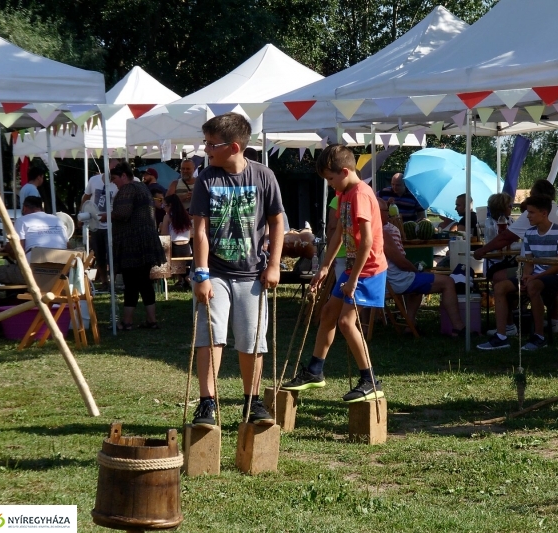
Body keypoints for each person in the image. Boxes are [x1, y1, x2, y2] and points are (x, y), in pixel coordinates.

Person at [190, 113, 284, 427]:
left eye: (210, 144)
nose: (205, 150)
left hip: (252, 273)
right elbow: (199, 231)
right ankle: (207, 403)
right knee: (210, 336)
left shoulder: (264, 176)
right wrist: (201, 274)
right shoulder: (206, 178)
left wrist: (273, 265)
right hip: (214, 271)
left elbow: (277, 222)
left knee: (252, 339)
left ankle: (252, 402)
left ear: (232, 147)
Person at [282, 144, 388, 403]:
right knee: (328, 313)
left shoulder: (360, 195)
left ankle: (370, 379)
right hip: (352, 268)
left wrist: (352, 280)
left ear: (344, 171)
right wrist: (325, 267)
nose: (329, 184)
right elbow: (339, 234)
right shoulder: (343, 194)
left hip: (368, 269)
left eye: (330, 178)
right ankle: (315, 371)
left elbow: (365, 242)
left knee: (345, 322)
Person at [478, 195, 558, 351]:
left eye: (531, 212)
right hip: (535, 276)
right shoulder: (529, 234)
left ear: (544, 213)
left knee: (533, 286)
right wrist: (526, 275)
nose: (527, 216)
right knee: (500, 287)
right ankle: (502, 336)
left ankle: (539, 336)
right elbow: (528, 261)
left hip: (556, 276)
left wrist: (534, 276)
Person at [379, 198, 465, 336]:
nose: (389, 213)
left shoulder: (368, 231)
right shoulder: (382, 233)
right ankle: (458, 328)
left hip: (385, 279)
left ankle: (410, 325)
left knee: (418, 287)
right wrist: (415, 271)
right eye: (385, 211)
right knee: (448, 282)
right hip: (395, 280)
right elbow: (401, 262)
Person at [109, 162, 166, 331]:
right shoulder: (142, 188)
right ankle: (151, 320)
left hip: (132, 243)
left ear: (124, 176)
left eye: (114, 179)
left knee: (131, 282)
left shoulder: (127, 189)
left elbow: (122, 213)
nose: (114, 183)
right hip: (146, 240)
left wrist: (105, 216)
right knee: (143, 282)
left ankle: (127, 322)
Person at [0, 196, 67, 285]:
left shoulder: (22, 221)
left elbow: (18, 251)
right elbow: (67, 246)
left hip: (32, 274)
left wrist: (8, 249)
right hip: (59, 275)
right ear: (41, 207)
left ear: (24, 207)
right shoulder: (57, 220)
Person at [81, 160, 118, 289]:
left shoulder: (117, 183)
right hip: (95, 225)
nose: (113, 171)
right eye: (112, 168)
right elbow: (85, 197)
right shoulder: (94, 180)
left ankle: (113, 281)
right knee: (99, 255)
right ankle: (104, 282)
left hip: (112, 225)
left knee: (112, 255)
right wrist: (81, 214)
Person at [160, 193, 192, 287]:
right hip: (187, 248)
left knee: (168, 257)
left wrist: (162, 226)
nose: (163, 207)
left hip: (174, 248)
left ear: (170, 205)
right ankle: (185, 278)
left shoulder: (167, 217)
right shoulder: (186, 215)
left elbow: (164, 235)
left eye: (164, 205)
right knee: (184, 263)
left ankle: (186, 278)